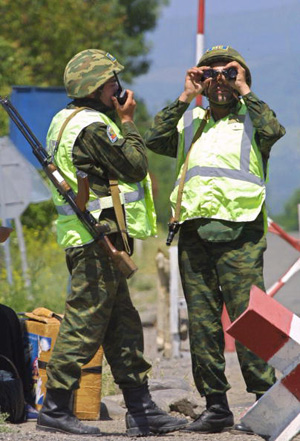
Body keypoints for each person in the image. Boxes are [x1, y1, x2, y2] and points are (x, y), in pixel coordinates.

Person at [37, 49, 187, 436]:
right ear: (95, 87)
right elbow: (135, 164)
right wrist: (126, 121)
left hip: (98, 237)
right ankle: (55, 407)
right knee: (84, 322)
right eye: (110, 82)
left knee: (123, 325)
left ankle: (141, 410)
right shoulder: (93, 127)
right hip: (95, 239)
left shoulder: (65, 120)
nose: (117, 88)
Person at [144, 45, 286, 434]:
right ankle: (216, 405)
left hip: (240, 233)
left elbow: (275, 130)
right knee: (204, 322)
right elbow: (154, 141)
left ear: (240, 78)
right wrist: (186, 96)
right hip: (194, 232)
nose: (219, 81)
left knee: (249, 319)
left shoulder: (254, 119)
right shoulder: (192, 121)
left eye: (227, 73)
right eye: (211, 74)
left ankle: (265, 402)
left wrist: (244, 88)